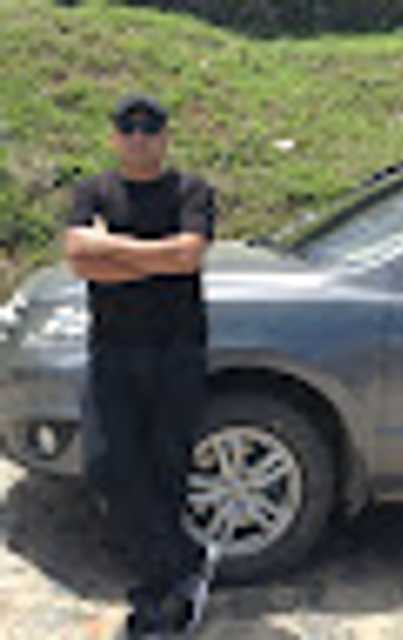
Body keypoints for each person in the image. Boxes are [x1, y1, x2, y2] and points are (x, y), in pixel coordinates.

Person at [64, 93, 220, 639]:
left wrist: (112, 247)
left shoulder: (191, 191)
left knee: (166, 469)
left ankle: (158, 601)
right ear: (114, 137)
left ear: (164, 138)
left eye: (149, 130)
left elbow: (189, 256)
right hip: (113, 350)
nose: (138, 139)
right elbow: (80, 260)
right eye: (127, 130)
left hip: (176, 350)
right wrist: (158, 258)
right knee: (109, 467)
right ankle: (186, 563)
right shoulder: (92, 191)